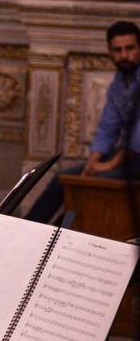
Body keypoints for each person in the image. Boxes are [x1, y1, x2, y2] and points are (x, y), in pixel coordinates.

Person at [26, 20, 140, 223]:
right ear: (109, 51)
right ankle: (26, 228)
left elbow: (136, 138)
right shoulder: (120, 82)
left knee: (93, 184)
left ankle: (61, 238)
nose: (124, 55)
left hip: (135, 158)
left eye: (129, 48)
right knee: (65, 178)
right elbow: (108, 127)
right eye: (117, 50)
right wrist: (93, 161)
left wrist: (108, 165)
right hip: (127, 158)